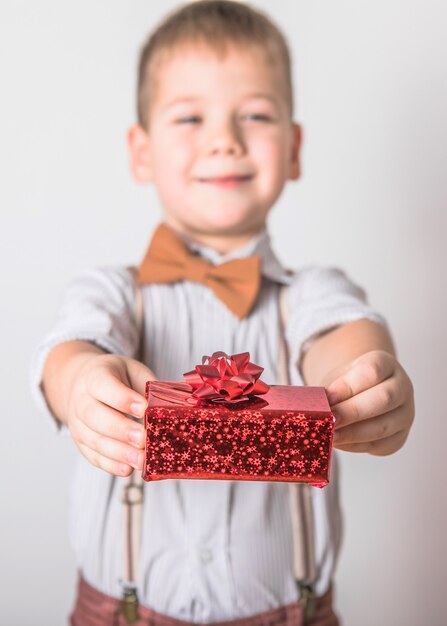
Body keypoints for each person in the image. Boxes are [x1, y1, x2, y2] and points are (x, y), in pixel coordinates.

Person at [30, 1, 415, 625]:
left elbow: (342, 331)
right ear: (142, 151)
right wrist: (77, 385)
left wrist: (366, 377)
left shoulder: (310, 292)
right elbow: (72, 346)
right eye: (189, 116)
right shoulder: (111, 291)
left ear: (293, 149)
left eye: (256, 115)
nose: (224, 139)